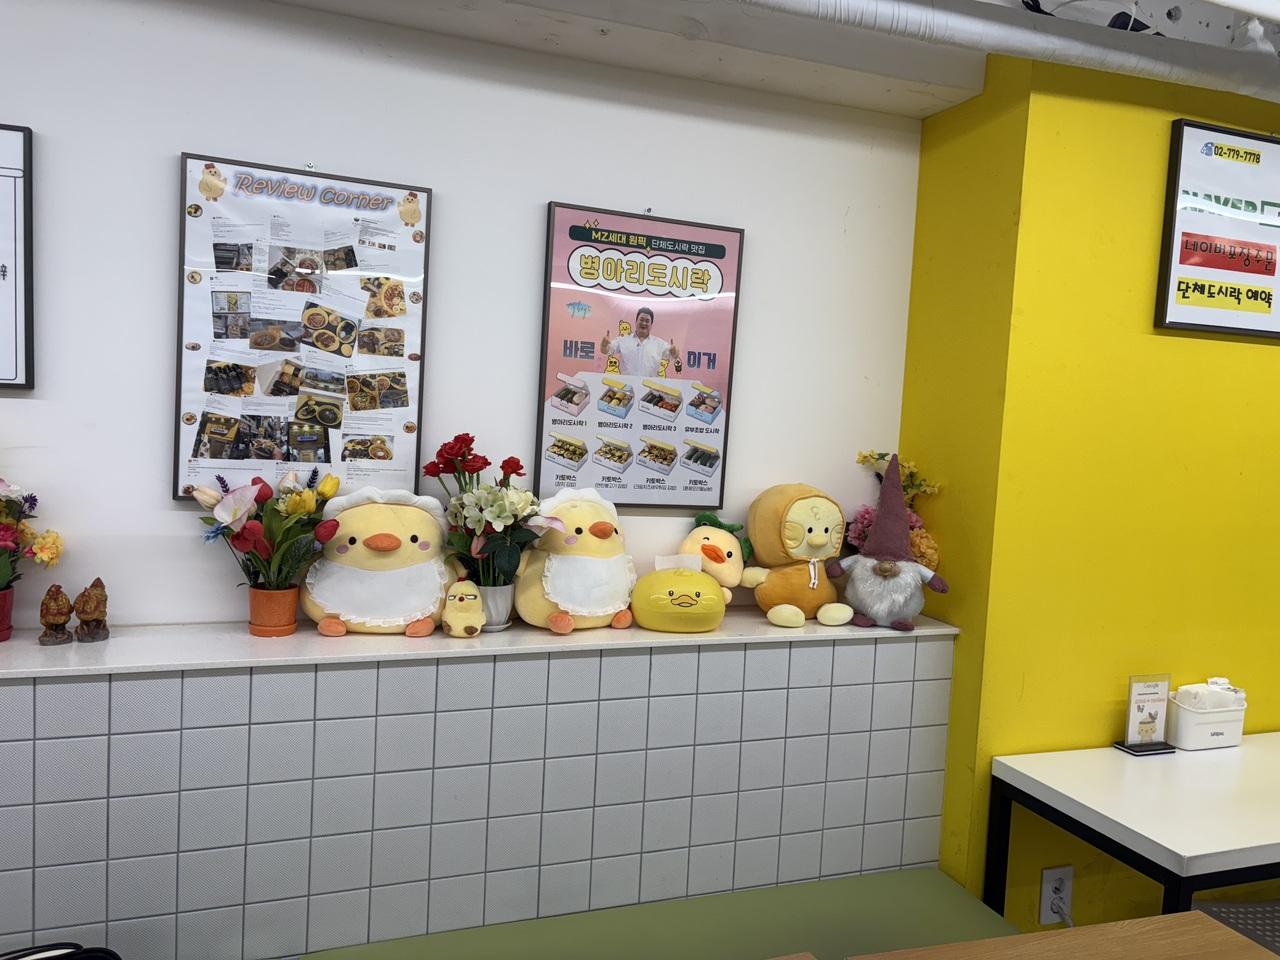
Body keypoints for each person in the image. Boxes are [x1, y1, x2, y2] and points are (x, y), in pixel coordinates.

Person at [600, 307, 681, 377]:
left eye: (647, 321)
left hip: (650, 387)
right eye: (641, 320)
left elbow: (674, 355)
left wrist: (675, 352)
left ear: (651, 324)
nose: (644, 323)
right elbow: (607, 350)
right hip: (627, 387)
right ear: (636, 321)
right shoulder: (622, 340)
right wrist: (604, 346)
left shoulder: (659, 344)